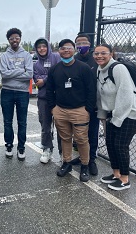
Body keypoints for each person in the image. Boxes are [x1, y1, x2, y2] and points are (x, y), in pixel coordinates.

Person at [94, 44, 136, 191]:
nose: (99, 56)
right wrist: (103, 116)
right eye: (96, 53)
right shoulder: (100, 69)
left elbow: (126, 96)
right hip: (113, 112)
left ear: (111, 54)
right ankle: (115, 174)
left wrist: (116, 119)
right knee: (110, 142)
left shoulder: (118, 68)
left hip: (131, 113)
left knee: (120, 144)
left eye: (103, 53)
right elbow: (101, 95)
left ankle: (124, 178)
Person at [46, 39, 96, 182]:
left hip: (79, 110)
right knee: (65, 138)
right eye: (62, 48)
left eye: (69, 48)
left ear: (74, 50)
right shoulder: (55, 69)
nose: (66, 50)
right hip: (60, 110)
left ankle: (85, 165)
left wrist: (88, 109)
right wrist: (53, 108)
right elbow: (49, 90)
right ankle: (66, 162)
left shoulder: (83, 68)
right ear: (59, 51)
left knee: (81, 139)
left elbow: (91, 90)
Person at [0, 28, 33, 161]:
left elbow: (29, 74)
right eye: (12, 38)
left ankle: (21, 147)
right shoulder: (4, 56)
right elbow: (4, 74)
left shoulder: (26, 55)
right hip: (7, 91)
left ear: (20, 39)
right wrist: (21, 71)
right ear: (8, 40)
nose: (15, 40)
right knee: (7, 121)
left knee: (22, 122)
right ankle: (8, 145)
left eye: (17, 38)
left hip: (22, 93)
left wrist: (13, 71)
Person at [70, 33, 100, 176]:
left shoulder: (96, 58)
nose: (81, 46)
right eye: (78, 43)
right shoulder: (74, 59)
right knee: (79, 135)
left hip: (93, 104)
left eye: (84, 43)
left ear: (90, 44)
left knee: (92, 134)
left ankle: (91, 160)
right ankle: (83, 158)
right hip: (77, 105)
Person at [32, 37, 61, 164]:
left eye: (44, 46)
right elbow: (36, 80)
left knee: (62, 126)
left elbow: (60, 73)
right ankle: (47, 148)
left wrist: (44, 79)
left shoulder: (56, 57)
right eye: (39, 47)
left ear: (48, 47)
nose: (42, 49)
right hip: (43, 98)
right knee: (45, 125)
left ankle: (62, 152)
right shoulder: (36, 64)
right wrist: (47, 78)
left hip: (59, 97)